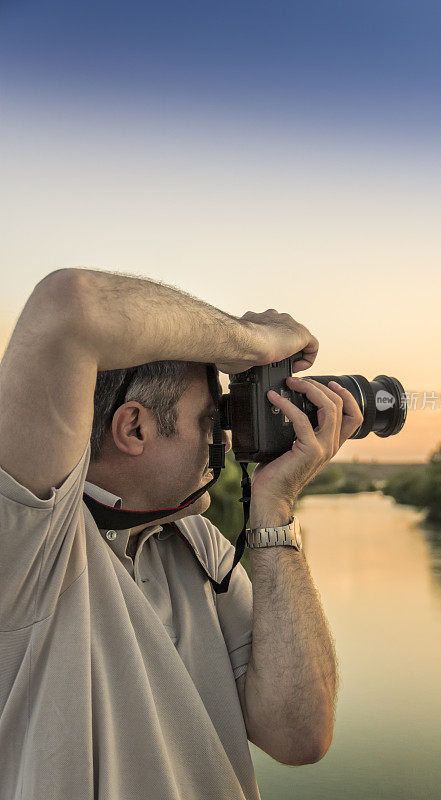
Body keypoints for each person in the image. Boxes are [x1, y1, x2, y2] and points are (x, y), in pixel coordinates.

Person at [0, 267, 363, 800]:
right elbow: (68, 305)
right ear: (135, 428)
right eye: (209, 423)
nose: (223, 440)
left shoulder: (195, 543)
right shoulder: (30, 537)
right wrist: (252, 341)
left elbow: (299, 734)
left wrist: (275, 508)